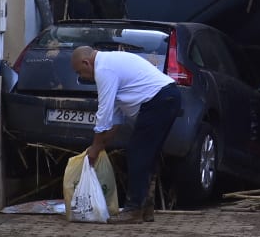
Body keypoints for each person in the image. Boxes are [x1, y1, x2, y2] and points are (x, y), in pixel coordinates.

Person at [70, 45, 181, 224]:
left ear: (86, 62)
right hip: (168, 97)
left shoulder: (103, 70)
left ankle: (134, 209)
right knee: (147, 155)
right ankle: (146, 208)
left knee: (137, 153)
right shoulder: (109, 63)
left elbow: (104, 113)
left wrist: (95, 146)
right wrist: (101, 145)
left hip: (158, 100)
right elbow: (115, 117)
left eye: (79, 71)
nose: (81, 76)